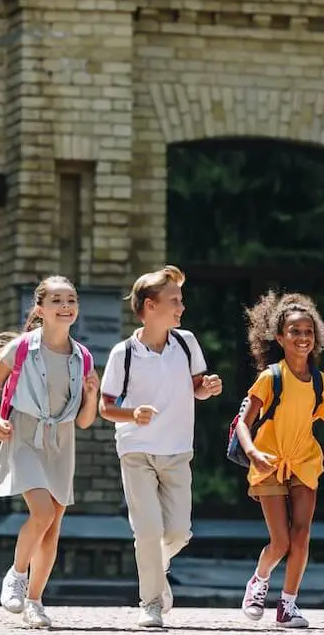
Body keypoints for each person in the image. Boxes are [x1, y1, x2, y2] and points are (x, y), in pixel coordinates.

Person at [99, 265, 222, 628]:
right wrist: (132, 414)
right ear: (150, 306)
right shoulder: (124, 353)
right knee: (148, 531)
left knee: (179, 533)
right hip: (136, 451)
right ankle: (150, 602)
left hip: (177, 450)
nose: (181, 308)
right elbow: (106, 407)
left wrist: (208, 388)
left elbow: (197, 386)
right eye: (175, 301)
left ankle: (156, 566)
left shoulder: (187, 343)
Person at [0, 275, 100, 629]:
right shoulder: (20, 348)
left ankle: (35, 601)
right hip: (25, 434)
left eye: (71, 300)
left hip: (62, 441)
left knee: (52, 527)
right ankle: (16, 575)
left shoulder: (83, 357)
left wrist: (92, 395)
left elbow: (83, 422)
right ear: (40, 308)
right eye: (57, 300)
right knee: (42, 512)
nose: (66, 306)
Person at [235, 291, 324, 629]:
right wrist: (254, 453)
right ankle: (259, 579)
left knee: (301, 536)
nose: (303, 338)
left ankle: (287, 606)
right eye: (295, 331)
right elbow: (244, 422)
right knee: (281, 541)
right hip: (269, 461)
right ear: (279, 337)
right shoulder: (271, 377)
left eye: (308, 332)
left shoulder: (322, 383)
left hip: (304, 462)